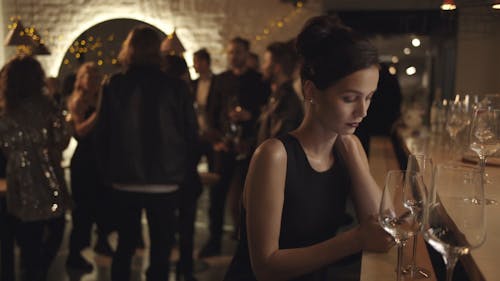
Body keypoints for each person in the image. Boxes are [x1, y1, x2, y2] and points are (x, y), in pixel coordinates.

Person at [223, 15, 393, 281]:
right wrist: (354, 240)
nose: (362, 111)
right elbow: (265, 267)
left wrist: (351, 151)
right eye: (349, 98)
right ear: (311, 91)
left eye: (369, 97)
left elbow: (385, 232)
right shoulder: (275, 155)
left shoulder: (349, 145)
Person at [95, 25, 198, 281]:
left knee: (125, 247)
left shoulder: (115, 85)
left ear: (129, 50)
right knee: (161, 250)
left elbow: (102, 135)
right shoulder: (176, 87)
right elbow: (190, 134)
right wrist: (187, 170)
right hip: (166, 179)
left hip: (124, 178)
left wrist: (106, 174)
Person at [0, 55, 71, 281]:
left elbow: (5, 145)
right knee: (55, 227)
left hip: (17, 179)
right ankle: (38, 271)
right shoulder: (47, 107)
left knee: (25, 236)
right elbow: (62, 139)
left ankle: (31, 271)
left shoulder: (5, 111)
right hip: (46, 173)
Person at [199, 37, 269, 258]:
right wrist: (216, 140)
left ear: (246, 54)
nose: (233, 56)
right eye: (230, 52)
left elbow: (266, 111)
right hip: (225, 146)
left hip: (249, 147)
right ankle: (214, 240)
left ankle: (246, 245)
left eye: (237, 52)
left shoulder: (258, 80)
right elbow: (210, 112)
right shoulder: (220, 79)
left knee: (246, 198)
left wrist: (251, 116)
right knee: (217, 196)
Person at [65, 62, 114, 272]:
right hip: (85, 160)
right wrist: (98, 113)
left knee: (104, 205)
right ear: (81, 79)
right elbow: (80, 131)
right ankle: (74, 255)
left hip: (102, 159)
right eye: (89, 76)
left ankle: (102, 241)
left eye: (96, 76)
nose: (94, 80)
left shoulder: (103, 98)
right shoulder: (78, 101)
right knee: (83, 210)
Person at [257, 41, 304, 145]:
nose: (262, 67)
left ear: (277, 67)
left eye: (265, 62)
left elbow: (277, 143)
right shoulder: (276, 96)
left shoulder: (287, 101)